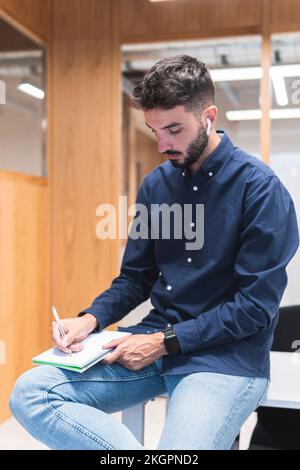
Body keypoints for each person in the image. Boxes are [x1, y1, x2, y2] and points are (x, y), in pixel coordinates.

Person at [9, 55, 299, 450]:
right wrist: (91, 320)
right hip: (150, 344)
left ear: (209, 115)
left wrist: (165, 341)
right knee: (31, 393)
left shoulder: (261, 190)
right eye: (154, 130)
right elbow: (136, 277)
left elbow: (254, 308)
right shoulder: (156, 186)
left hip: (224, 360)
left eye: (174, 129)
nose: (162, 144)